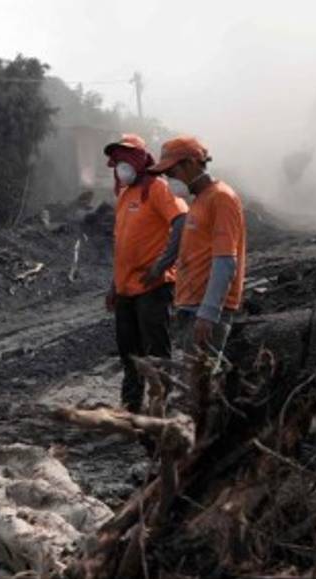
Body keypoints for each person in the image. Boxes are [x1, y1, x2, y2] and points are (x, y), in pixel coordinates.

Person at [104, 133, 188, 413]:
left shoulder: (157, 188)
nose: (120, 166)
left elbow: (182, 221)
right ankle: (130, 408)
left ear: (140, 160)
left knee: (156, 354)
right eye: (116, 161)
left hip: (153, 287)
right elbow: (122, 244)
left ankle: (159, 409)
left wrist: (161, 265)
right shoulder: (125, 194)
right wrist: (114, 284)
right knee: (129, 355)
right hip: (126, 288)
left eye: (125, 159)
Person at [149, 136, 247, 372]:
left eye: (172, 172)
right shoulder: (201, 200)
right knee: (194, 384)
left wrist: (209, 312)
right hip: (192, 306)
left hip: (205, 311)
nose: (169, 179)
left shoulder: (221, 198)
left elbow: (225, 262)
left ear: (192, 163)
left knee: (198, 388)